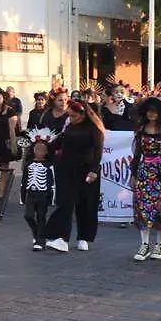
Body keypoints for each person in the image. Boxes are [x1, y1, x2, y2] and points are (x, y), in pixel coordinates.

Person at [44, 101, 104, 252]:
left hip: (86, 171)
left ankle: (84, 237)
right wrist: (42, 146)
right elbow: (59, 142)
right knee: (65, 202)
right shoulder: (70, 127)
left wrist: (94, 170)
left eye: (73, 116)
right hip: (66, 169)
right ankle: (61, 238)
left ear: (83, 114)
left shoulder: (94, 130)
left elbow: (98, 152)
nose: (70, 118)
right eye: (69, 115)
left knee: (86, 204)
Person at [128, 96, 161, 261]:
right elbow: (137, 155)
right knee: (143, 207)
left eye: (155, 111)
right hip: (145, 172)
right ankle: (144, 245)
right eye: (149, 111)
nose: (151, 114)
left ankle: (159, 245)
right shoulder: (141, 130)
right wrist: (134, 174)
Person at [22, 133, 56, 251]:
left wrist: (52, 198)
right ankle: (38, 234)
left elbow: (52, 182)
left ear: (47, 152)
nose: (39, 151)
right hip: (31, 194)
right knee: (28, 216)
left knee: (41, 216)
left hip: (43, 194)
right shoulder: (28, 165)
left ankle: (40, 241)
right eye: (37, 149)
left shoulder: (49, 166)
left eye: (43, 149)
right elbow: (24, 181)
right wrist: (22, 197)